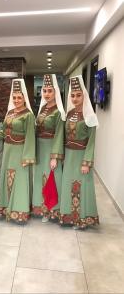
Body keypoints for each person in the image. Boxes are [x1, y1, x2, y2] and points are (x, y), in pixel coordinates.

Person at [0, 78, 35, 223]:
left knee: (20, 180)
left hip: (20, 152)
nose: (16, 100)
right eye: (14, 97)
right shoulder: (10, 113)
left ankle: (20, 211)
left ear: (24, 98)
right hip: (8, 151)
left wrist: (27, 157)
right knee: (8, 178)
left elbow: (30, 137)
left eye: (19, 97)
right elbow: (4, 132)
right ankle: (6, 208)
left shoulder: (28, 115)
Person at [59, 75, 99, 229]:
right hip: (69, 156)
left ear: (84, 96)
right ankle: (68, 217)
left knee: (81, 186)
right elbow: (63, 137)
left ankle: (80, 219)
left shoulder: (90, 116)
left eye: (78, 95)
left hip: (81, 156)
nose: (75, 98)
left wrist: (86, 163)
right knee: (68, 184)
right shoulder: (68, 114)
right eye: (72, 95)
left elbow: (91, 142)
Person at [32, 74, 65, 222]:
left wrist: (54, 156)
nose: (46, 94)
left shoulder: (58, 112)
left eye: (49, 91)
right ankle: (41, 209)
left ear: (55, 92)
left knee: (52, 178)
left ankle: (52, 211)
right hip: (40, 148)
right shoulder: (43, 109)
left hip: (51, 149)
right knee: (40, 178)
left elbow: (59, 135)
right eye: (44, 91)